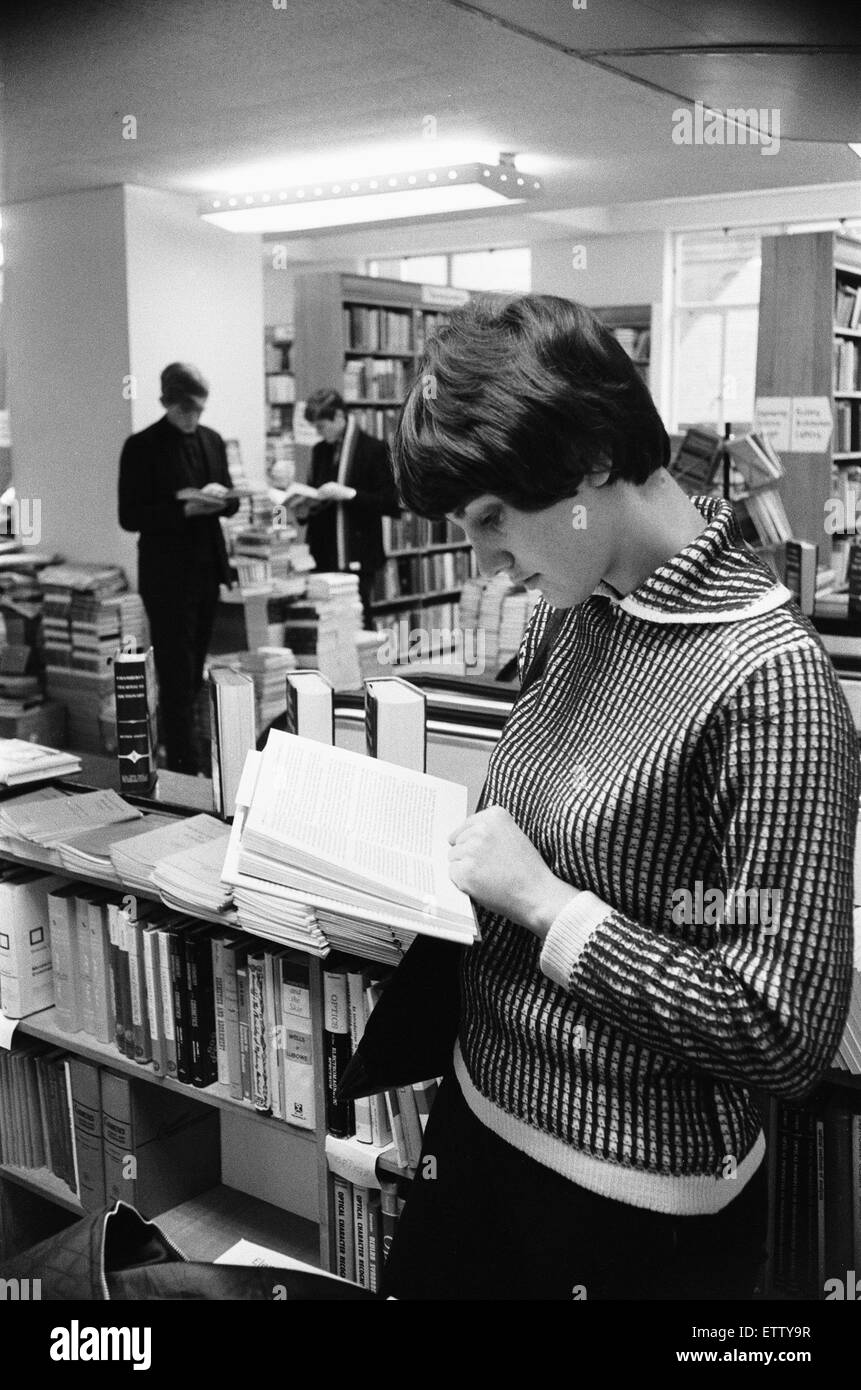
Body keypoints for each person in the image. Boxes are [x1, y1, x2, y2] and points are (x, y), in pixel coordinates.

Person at [382, 294, 859, 1301]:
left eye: (492, 517)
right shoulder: (581, 609)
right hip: (479, 1119)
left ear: (593, 459)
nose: (484, 561)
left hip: (625, 1203)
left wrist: (549, 907)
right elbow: (533, 827)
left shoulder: (768, 682)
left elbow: (780, 1026)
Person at [118, 362, 239, 773]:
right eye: (185, 411)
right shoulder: (141, 446)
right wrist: (182, 508)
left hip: (207, 570)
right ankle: (184, 773)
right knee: (174, 675)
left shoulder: (213, 441)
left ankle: (188, 764)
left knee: (193, 676)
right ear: (166, 403)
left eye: (199, 412)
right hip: (167, 577)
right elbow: (130, 515)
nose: (193, 419)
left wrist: (223, 497)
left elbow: (232, 498)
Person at [295, 389, 400, 627]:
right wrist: (302, 511)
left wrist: (349, 494)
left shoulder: (374, 449)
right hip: (323, 552)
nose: (318, 432)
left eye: (321, 426)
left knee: (358, 620)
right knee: (327, 625)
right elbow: (315, 494)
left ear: (340, 418)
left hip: (358, 553)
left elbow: (391, 503)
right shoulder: (319, 451)